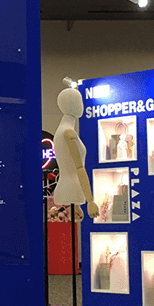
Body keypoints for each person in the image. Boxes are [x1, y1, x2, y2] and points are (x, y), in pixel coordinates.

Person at [52, 88, 98, 220]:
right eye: (79, 101)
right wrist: (90, 201)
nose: (81, 105)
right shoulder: (68, 133)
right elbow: (79, 168)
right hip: (72, 188)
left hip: (66, 187)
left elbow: (69, 165)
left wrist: (77, 206)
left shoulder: (61, 131)